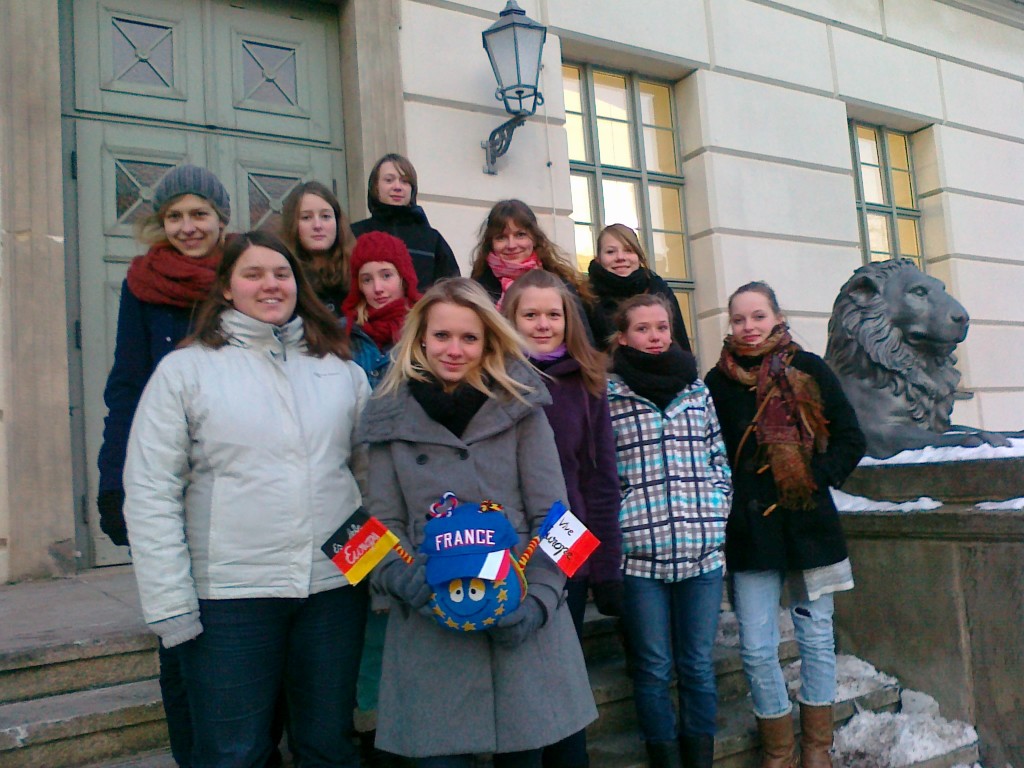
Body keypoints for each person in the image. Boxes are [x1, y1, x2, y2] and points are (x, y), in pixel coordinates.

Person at [122, 231, 371, 768]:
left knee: (329, 746)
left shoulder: (341, 372)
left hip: (331, 594)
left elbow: (366, 481)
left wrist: (364, 573)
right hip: (231, 598)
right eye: (253, 274)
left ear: (297, 285)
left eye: (281, 273)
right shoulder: (186, 371)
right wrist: (171, 605)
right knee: (234, 753)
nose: (270, 284)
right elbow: (150, 491)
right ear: (228, 288)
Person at [359, 277, 597, 766]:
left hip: (522, 629)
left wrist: (540, 603)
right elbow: (378, 523)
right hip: (431, 635)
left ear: (488, 340)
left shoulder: (524, 404)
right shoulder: (385, 415)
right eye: (442, 336)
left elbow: (560, 521)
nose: (454, 350)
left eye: (469, 337)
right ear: (420, 337)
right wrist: (408, 584)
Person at [95, 163, 231, 768]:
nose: (187, 226)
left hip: (230, 471)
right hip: (164, 472)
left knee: (235, 623)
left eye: (198, 213)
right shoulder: (142, 282)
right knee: (177, 627)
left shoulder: (245, 275)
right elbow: (126, 385)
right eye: (174, 215)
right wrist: (112, 478)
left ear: (221, 219)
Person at [704, 282, 865, 768]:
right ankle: (780, 749)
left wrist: (812, 479)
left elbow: (850, 438)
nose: (748, 327)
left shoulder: (808, 368)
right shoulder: (716, 382)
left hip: (808, 526)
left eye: (757, 316)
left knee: (816, 637)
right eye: (739, 319)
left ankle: (817, 746)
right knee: (755, 647)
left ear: (777, 316)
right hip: (750, 532)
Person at [501, 269, 622, 768]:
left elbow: (600, 478)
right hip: (503, 544)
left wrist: (605, 565)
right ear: (511, 319)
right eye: (531, 314)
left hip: (564, 541)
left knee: (561, 676)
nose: (543, 324)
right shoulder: (492, 376)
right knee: (518, 679)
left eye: (554, 314)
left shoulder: (587, 380)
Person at [607, 294, 731, 768]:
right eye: (643, 328)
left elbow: (717, 456)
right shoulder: (610, 395)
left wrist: (716, 509)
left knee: (698, 666)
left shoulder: (696, 391)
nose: (655, 337)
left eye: (662, 327)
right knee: (654, 668)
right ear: (623, 336)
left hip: (702, 555)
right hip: (640, 559)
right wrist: (624, 518)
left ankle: (701, 758)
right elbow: (605, 471)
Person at [341, 231, 420, 767]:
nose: (376, 287)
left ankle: (418, 727)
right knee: (370, 620)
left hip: (420, 501)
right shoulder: (344, 341)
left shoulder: (426, 333)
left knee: (414, 614)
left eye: (385, 275)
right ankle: (374, 734)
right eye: (365, 278)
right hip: (359, 500)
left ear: (403, 277)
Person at [469, 199, 593, 327]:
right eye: (501, 237)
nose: (511, 245)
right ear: (491, 243)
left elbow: (582, 341)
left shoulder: (561, 286)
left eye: (520, 235)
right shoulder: (476, 292)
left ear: (534, 238)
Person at [350, 153, 460, 292]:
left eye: (404, 181)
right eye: (389, 180)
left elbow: (452, 288)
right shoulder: (356, 233)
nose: (398, 187)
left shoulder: (431, 239)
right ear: (376, 187)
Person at [587, 223, 690, 351]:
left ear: (638, 256)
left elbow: (680, 344)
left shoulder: (659, 290)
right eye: (610, 252)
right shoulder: (587, 298)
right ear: (598, 259)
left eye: (628, 250)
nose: (620, 257)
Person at [279, 180, 358, 316]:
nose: (317, 225)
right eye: (306, 217)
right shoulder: (283, 276)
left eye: (325, 216)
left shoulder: (359, 272)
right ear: (292, 224)